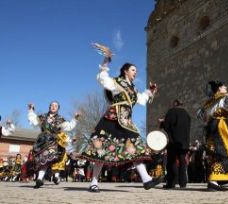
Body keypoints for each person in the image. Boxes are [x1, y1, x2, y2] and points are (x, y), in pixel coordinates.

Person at [80, 46, 159, 192]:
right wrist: (106, 60)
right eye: (133, 70)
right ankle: (94, 182)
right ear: (125, 71)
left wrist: (150, 91)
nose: (136, 72)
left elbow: (141, 99)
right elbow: (102, 79)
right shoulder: (116, 82)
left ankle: (147, 179)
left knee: (135, 147)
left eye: (136, 70)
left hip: (127, 121)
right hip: (112, 119)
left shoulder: (134, 90)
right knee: (100, 149)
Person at [28, 101, 80, 188]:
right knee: (42, 160)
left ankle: (41, 178)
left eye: (55, 105)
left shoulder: (61, 119)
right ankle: (40, 179)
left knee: (47, 159)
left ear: (58, 108)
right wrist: (31, 110)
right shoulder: (43, 117)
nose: (53, 106)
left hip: (53, 142)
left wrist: (75, 118)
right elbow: (34, 121)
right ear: (49, 107)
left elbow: (69, 126)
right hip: (42, 141)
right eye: (52, 105)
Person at [162, 99, 191, 189]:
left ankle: (172, 182)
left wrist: (162, 123)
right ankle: (183, 182)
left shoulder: (171, 112)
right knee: (182, 161)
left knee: (171, 161)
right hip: (184, 142)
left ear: (175, 104)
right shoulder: (187, 114)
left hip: (173, 141)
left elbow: (166, 126)